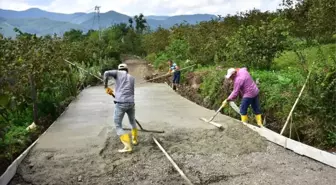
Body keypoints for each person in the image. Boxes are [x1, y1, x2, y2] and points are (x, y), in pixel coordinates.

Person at [103, 63, 138, 153]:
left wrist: (106, 86)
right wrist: (113, 93)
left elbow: (106, 73)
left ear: (119, 69)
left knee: (118, 125)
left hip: (121, 103)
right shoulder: (131, 78)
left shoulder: (118, 73)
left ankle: (127, 146)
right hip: (131, 103)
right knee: (132, 121)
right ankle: (134, 140)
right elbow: (126, 90)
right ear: (127, 70)